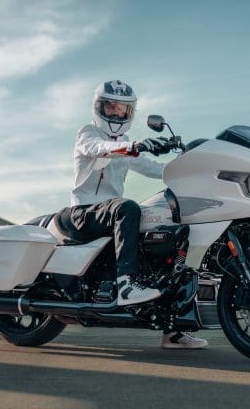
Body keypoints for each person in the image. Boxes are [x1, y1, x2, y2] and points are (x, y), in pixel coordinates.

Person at [70, 79, 207, 349]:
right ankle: (127, 284)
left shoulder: (125, 145)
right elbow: (99, 149)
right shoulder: (89, 133)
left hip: (113, 214)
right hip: (84, 212)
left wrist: (190, 166)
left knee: (169, 228)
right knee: (128, 206)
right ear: (99, 108)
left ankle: (172, 330)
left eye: (123, 109)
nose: (117, 113)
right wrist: (137, 145)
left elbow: (158, 170)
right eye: (111, 106)